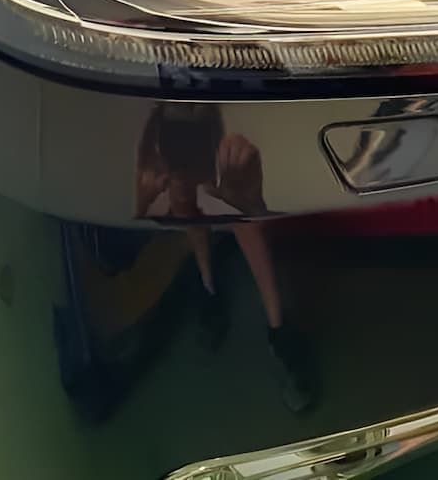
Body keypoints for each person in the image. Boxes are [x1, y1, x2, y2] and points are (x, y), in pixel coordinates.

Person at [135, 103, 318, 413]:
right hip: (173, 94)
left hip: (212, 92)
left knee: (235, 205)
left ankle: (278, 327)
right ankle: (209, 286)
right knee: (185, 200)